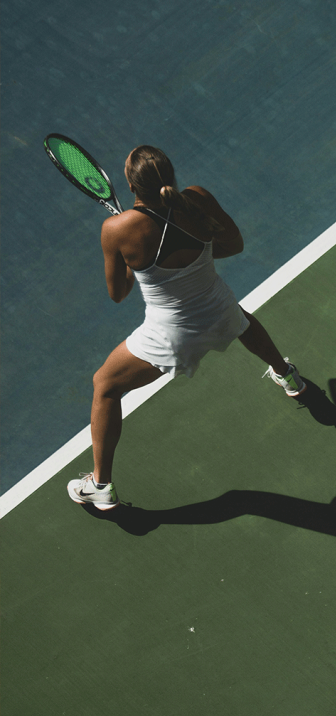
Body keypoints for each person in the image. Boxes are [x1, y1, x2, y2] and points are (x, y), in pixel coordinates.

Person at [67, 145, 305, 511]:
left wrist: (135, 264)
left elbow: (118, 294)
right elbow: (234, 245)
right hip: (219, 308)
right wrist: (195, 259)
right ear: (170, 176)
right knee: (239, 318)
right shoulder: (197, 198)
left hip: (171, 336)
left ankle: (100, 485)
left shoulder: (116, 229)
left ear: (130, 185)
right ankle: (288, 376)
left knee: (105, 385)